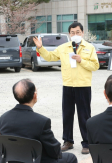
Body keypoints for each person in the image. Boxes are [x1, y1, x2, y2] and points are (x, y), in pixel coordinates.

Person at [33, 22, 99, 154]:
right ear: (69, 34)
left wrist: (81, 60)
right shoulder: (63, 47)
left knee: (84, 116)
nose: (75, 34)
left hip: (83, 86)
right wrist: (41, 48)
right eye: (73, 32)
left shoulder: (89, 47)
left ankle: (86, 143)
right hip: (68, 85)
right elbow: (50, 57)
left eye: (78, 32)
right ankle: (68, 141)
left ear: (82, 33)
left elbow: (95, 66)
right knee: (67, 114)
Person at [0, 79, 77, 163]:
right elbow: (55, 151)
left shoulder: (4, 118)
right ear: (34, 96)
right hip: (38, 160)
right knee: (71, 157)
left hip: (14, 161)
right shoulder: (41, 121)